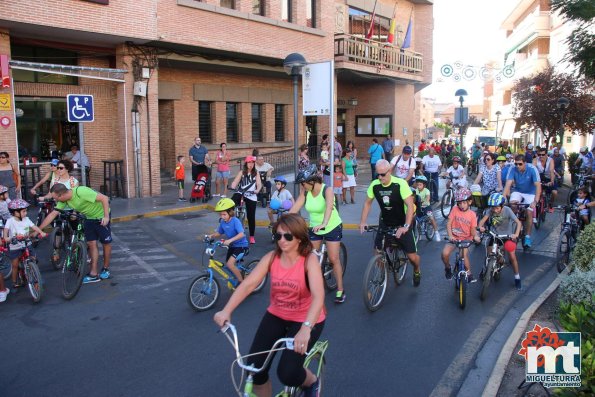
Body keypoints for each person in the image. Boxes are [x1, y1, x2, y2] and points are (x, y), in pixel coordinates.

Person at [213, 214, 325, 397]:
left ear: (299, 238)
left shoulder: (309, 261)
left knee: (287, 373)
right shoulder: (272, 258)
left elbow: (319, 297)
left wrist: (306, 329)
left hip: (306, 319)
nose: (282, 240)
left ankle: (311, 382)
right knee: (254, 369)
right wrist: (227, 310)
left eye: (288, 236)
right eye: (278, 235)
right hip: (277, 315)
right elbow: (249, 284)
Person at [359, 159, 422, 287]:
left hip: (402, 221)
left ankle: (416, 270)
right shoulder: (375, 185)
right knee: (377, 250)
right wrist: (363, 222)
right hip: (386, 221)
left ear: (390, 171)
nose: (380, 177)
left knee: (412, 258)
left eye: (383, 174)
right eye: (378, 174)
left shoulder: (400, 184)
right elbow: (367, 203)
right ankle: (381, 274)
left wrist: (405, 226)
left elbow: (410, 206)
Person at [290, 164, 346, 303]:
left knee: (334, 258)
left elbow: (328, 208)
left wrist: (324, 223)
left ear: (312, 181)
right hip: (315, 228)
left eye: (303, 183)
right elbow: (295, 207)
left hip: (331, 226)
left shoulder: (327, 190)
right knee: (309, 256)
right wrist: (284, 221)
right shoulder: (305, 192)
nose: (302, 186)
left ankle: (340, 289)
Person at [39, 184, 112, 283]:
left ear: (61, 195)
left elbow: (104, 198)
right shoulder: (64, 200)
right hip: (88, 218)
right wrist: (38, 230)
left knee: (106, 243)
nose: (56, 201)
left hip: (101, 216)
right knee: (91, 244)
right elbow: (53, 214)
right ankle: (94, 273)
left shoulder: (80, 192)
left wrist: (106, 217)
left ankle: (105, 268)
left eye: (56, 198)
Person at [478, 193, 523, 290]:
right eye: (493, 208)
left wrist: (516, 234)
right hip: (494, 235)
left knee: (512, 256)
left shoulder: (507, 210)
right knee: (489, 254)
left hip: (507, 236)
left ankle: (517, 277)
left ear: (502, 206)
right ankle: (485, 268)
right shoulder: (490, 211)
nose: (495, 210)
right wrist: (480, 227)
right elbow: (482, 221)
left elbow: (518, 223)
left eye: (497, 208)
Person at [3, 199, 47, 291]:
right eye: (23, 211)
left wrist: (41, 232)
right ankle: (14, 282)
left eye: (26, 211)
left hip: (26, 242)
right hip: (15, 245)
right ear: (15, 212)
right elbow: (5, 234)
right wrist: (8, 238)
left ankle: (36, 277)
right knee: (15, 264)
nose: (26, 213)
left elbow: (34, 227)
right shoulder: (10, 221)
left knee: (33, 259)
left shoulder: (26, 219)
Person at [441, 188, 481, 282]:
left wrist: (475, 236)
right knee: (444, 254)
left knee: (463, 255)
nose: (461, 205)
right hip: (454, 237)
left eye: (464, 203)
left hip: (466, 239)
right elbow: (449, 223)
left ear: (469, 202)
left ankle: (469, 273)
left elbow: (473, 229)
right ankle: (448, 268)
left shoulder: (472, 214)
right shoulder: (455, 209)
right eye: (459, 203)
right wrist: (450, 235)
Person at [503, 155, 541, 248]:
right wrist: (503, 198)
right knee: (512, 206)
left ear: (525, 163)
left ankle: (527, 236)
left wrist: (535, 202)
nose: (517, 166)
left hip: (531, 193)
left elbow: (538, 187)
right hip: (518, 191)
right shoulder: (512, 168)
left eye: (520, 164)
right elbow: (508, 184)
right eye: (516, 164)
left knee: (529, 212)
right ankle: (513, 226)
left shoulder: (532, 169)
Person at [208, 198, 250, 282]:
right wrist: (211, 236)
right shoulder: (223, 222)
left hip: (241, 246)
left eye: (224, 214)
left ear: (230, 213)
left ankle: (242, 283)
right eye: (221, 214)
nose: (222, 217)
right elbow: (219, 233)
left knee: (230, 264)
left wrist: (230, 241)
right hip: (232, 246)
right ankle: (241, 273)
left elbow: (242, 234)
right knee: (228, 265)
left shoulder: (235, 221)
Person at [231, 156, 262, 244]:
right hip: (241, 193)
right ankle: (229, 219)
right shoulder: (242, 172)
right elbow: (235, 181)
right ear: (246, 163)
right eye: (249, 163)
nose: (251, 164)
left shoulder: (256, 173)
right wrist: (233, 186)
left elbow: (259, 184)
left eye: (252, 163)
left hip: (251, 195)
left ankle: (252, 236)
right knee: (231, 203)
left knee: (251, 217)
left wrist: (257, 190)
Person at [414, 176, 440, 241]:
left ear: (424, 185)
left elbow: (427, 198)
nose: (418, 186)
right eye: (417, 185)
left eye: (420, 185)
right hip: (418, 207)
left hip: (426, 207)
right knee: (415, 219)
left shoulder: (427, 191)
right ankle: (418, 233)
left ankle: (436, 232)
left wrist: (425, 202)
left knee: (431, 217)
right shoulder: (415, 191)